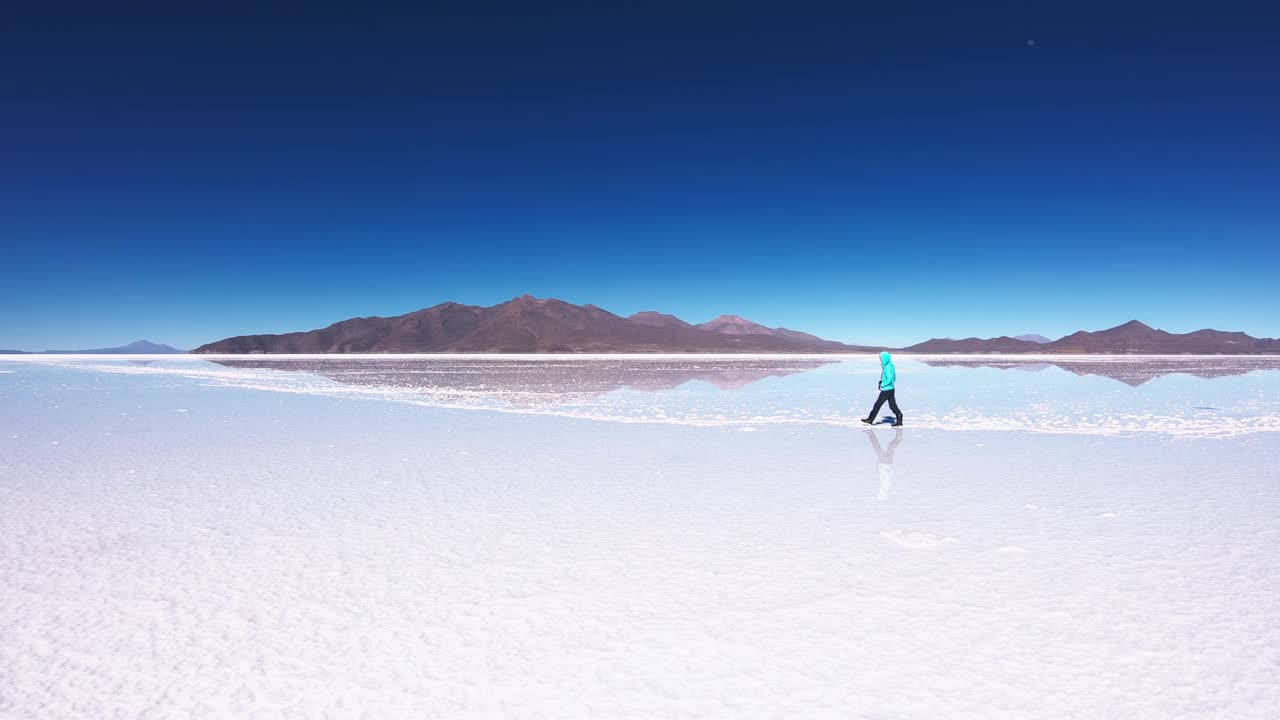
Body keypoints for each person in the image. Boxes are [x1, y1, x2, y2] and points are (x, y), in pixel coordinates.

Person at [861, 351, 903, 426]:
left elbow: (890, 378)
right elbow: (894, 377)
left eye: (881, 358)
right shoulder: (890, 365)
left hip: (887, 389)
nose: (880, 359)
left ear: (884, 358)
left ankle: (870, 419)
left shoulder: (887, 366)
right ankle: (899, 418)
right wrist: (882, 382)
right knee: (892, 405)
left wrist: (883, 384)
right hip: (891, 388)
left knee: (877, 404)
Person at [864, 427, 904, 500]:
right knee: (877, 447)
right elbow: (887, 476)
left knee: (890, 446)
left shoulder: (884, 488)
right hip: (885, 463)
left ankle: (899, 436)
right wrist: (880, 468)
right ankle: (870, 433)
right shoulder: (885, 487)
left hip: (887, 463)